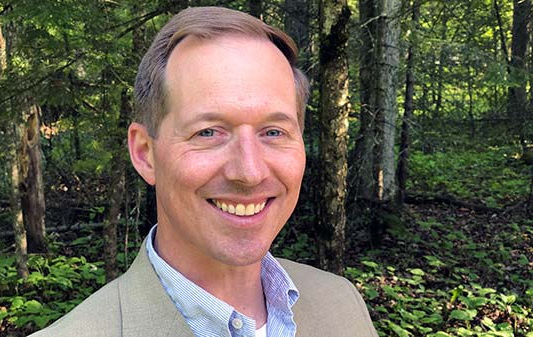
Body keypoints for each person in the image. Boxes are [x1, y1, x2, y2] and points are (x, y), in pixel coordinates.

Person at [29, 6, 378, 337]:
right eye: (208, 132)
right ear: (145, 153)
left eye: (273, 132)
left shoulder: (343, 305)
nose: (250, 172)